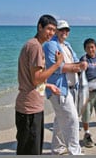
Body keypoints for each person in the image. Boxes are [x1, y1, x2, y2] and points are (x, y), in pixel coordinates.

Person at [15, 14, 64, 155]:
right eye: (49, 29)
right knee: (31, 151)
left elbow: (31, 80)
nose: (51, 33)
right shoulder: (35, 47)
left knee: (27, 150)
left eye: (54, 30)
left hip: (29, 106)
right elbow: (36, 79)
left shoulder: (32, 44)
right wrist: (57, 64)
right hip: (29, 109)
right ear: (39, 27)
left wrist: (48, 86)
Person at [43, 20, 87, 155]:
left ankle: (57, 148)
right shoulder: (50, 45)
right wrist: (78, 66)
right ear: (56, 31)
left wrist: (81, 64)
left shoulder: (67, 45)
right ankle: (75, 152)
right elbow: (56, 68)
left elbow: (74, 61)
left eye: (67, 30)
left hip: (72, 88)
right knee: (72, 120)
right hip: (59, 89)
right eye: (62, 30)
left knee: (60, 119)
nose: (65, 32)